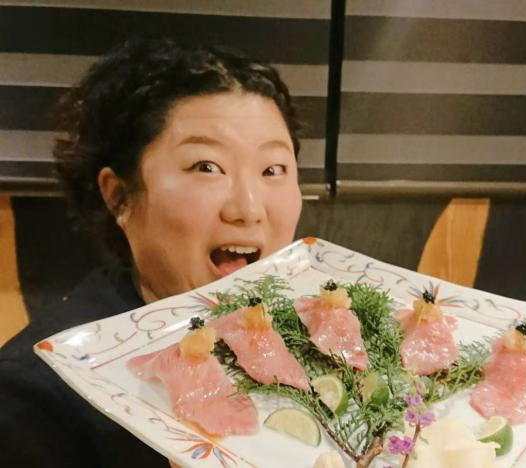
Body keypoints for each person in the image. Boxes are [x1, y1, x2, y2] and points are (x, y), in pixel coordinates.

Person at [0, 36, 303, 466]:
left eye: (273, 169)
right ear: (120, 196)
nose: (249, 209)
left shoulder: (301, 331)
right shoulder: (32, 400)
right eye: (206, 167)